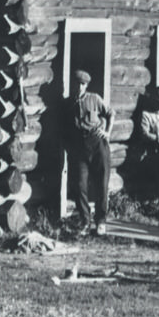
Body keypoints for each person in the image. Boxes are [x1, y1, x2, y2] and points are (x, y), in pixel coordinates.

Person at [64, 69, 114, 235]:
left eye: (82, 84)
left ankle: (101, 221)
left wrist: (107, 132)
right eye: (77, 83)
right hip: (80, 147)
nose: (79, 87)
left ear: (86, 86)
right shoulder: (68, 104)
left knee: (102, 183)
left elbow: (111, 113)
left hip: (98, 144)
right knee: (80, 185)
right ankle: (85, 221)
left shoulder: (94, 98)